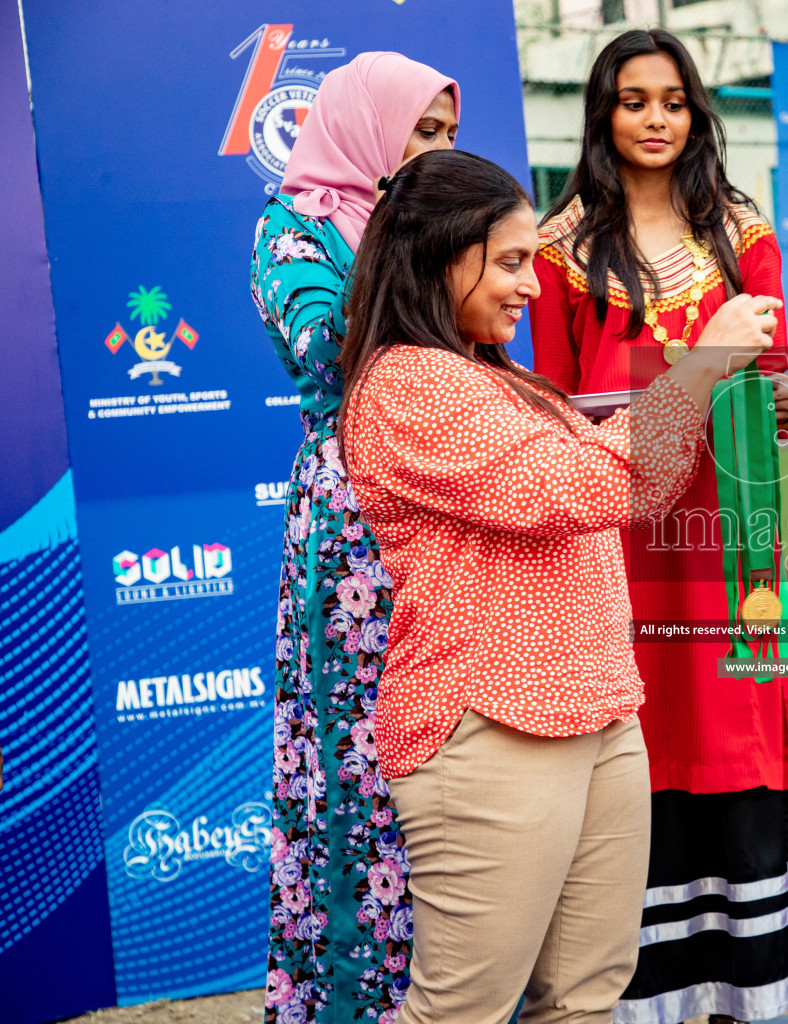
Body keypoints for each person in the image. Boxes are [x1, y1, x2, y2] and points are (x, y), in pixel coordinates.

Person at [338, 149, 784, 1024]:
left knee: (585, 1001)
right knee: (462, 1009)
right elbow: (579, 489)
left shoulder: (497, 377)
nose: (532, 288)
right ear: (436, 256)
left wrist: (703, 385)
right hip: (492, 730)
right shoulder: (407, 384)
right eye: (509, 263)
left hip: (602, 714)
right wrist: (699, 364)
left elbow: (635, 488)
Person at [528, 29, 788, 1024]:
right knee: (635, 745)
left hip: (726, 533)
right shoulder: (557, 251)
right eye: (634, 99)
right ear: (602, 112)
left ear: (697, 115)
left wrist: (785, 403)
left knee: (730, 734)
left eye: (675, 101)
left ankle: (744, 995)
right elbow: (558, 412)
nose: (657, 118)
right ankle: (639, 997)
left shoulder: (743, 234)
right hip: (618, 541)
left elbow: (781, 389)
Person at [248, 51, 458, 1023]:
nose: (440, 152)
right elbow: (335, 353)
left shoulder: (436, 231)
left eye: (450, 135)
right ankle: (351, 999)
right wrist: (420, 246)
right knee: (359, 766)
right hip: (356, 532)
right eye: (424, 131)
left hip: (450, 507)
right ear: (370, 130)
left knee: (452, 766)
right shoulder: (291, 233)